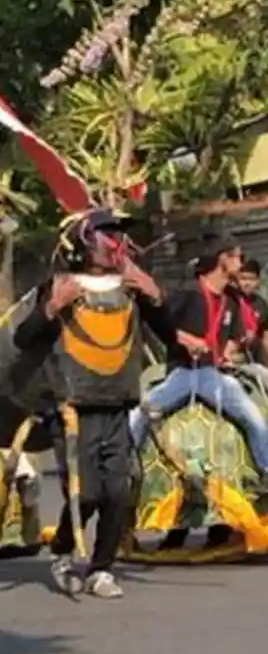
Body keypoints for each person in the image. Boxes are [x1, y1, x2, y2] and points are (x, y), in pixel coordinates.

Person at [13, 208, 176, 598]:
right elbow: (24, 338)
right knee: (85, 492)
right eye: (106, 232)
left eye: (118, 233)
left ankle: (102, 568)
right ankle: (65, 551)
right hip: (71, 408)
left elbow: (169, 335)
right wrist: (53, 307)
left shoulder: (133, 287)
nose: (114, 241)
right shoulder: (61, 285)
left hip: (118, 405)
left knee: (119, 491)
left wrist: (155, 296)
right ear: (84, 240)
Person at [128, 235, 268, 493]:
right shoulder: (187, 292)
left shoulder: (231, 299)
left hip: (212, 372)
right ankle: (125, 465)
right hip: (183, 372)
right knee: (140, 414)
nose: (241, 263)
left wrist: (231, 349)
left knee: (253, 415)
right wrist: (186, 340)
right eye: (238, 257)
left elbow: (235, 335)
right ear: (223, 259)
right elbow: (161, 326)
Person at [234, 258, 268, 393]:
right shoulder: (231, 300)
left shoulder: (261, 305)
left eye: (251, 279)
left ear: (258, 281)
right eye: (243, 278)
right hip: (234, 357)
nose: (247, 283)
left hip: (254, 354)